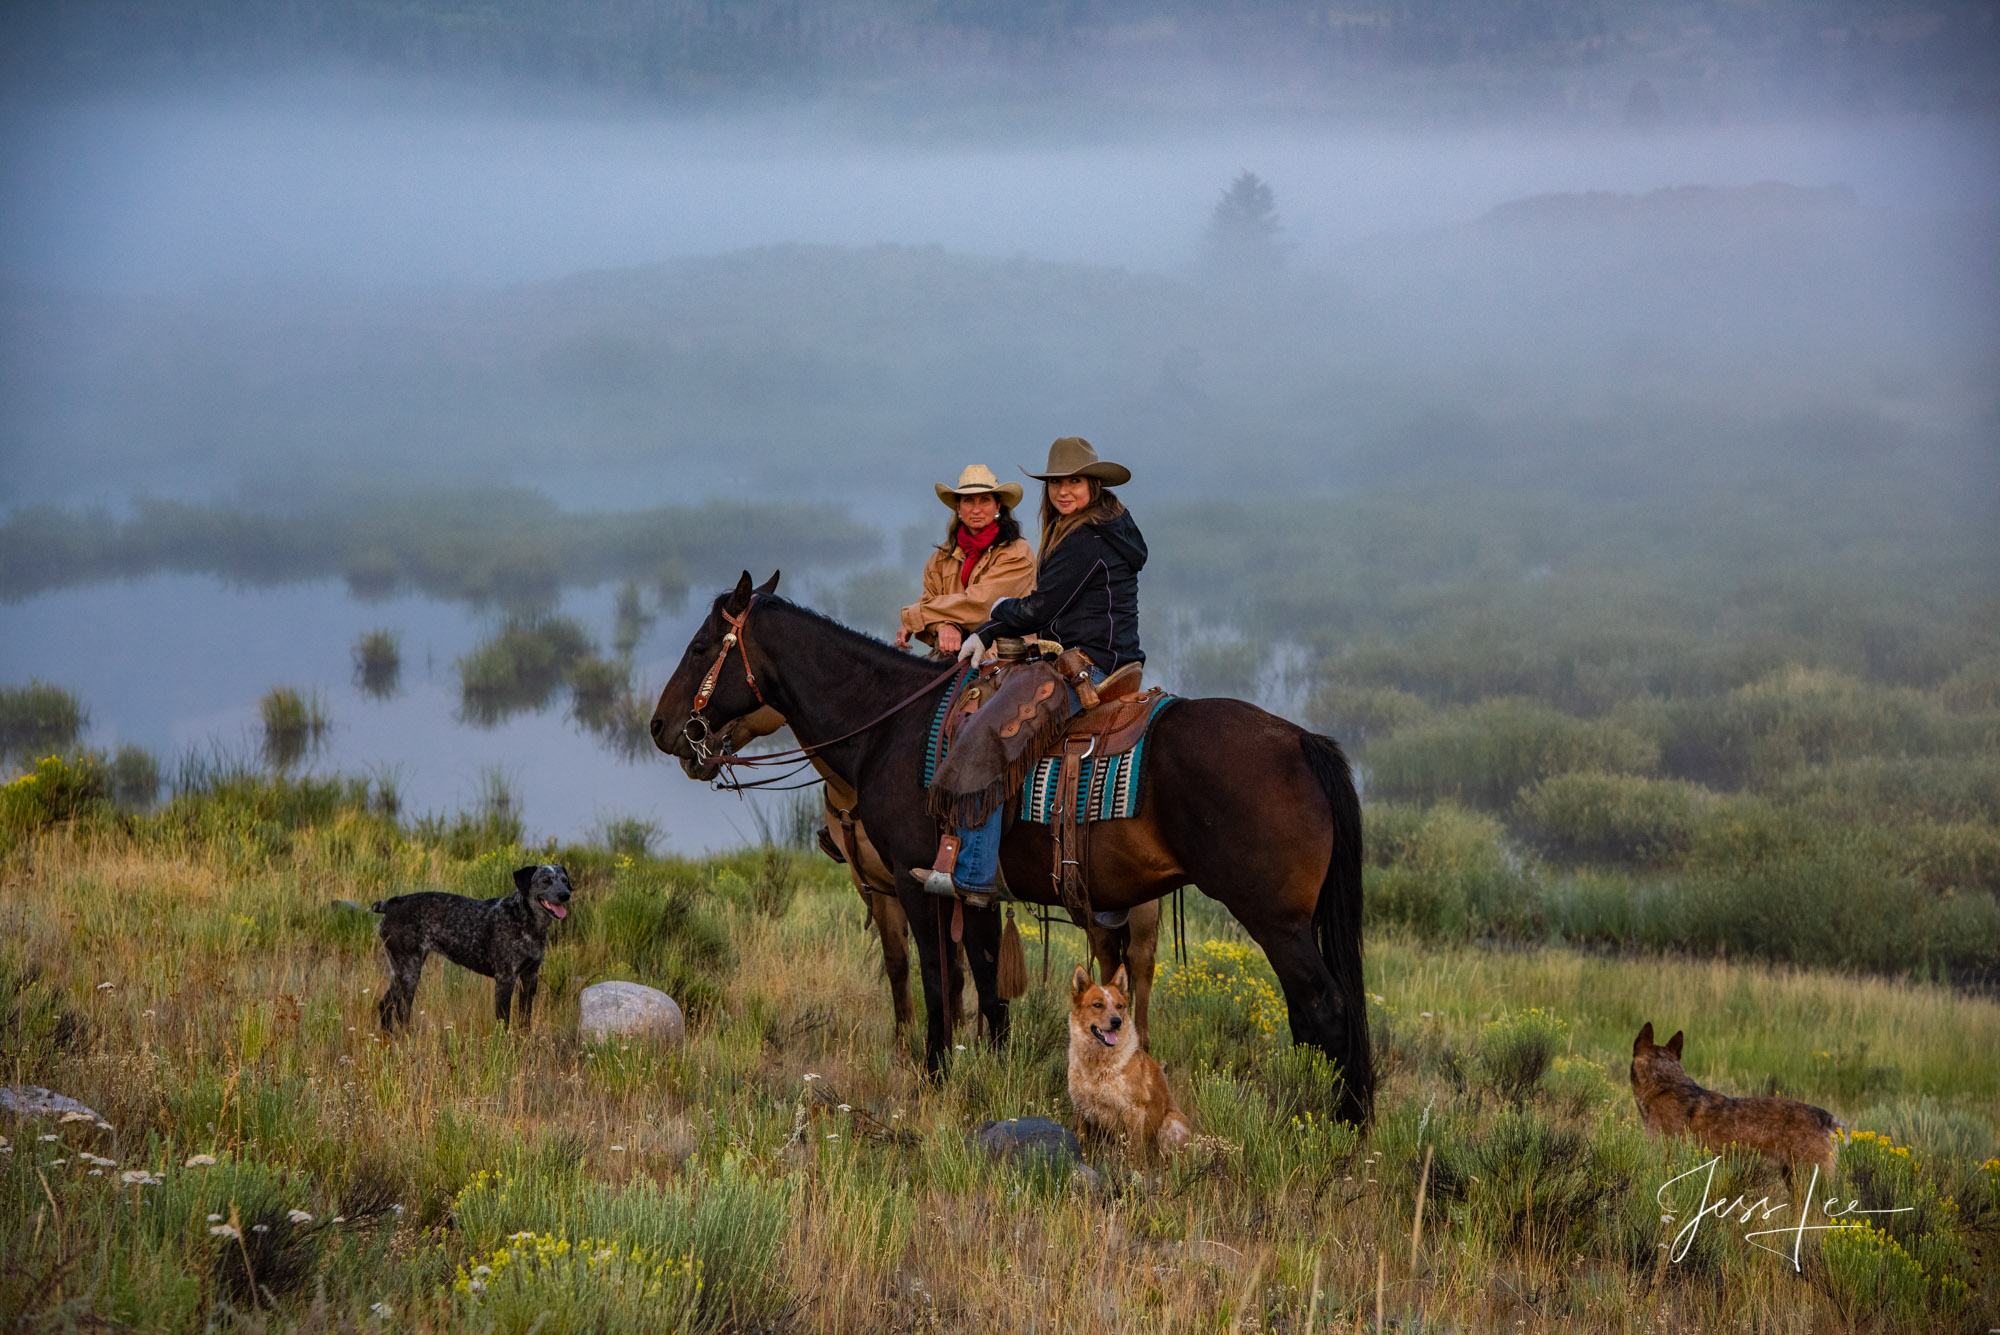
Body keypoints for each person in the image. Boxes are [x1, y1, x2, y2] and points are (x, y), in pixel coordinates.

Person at [917, 437, 1147, 906]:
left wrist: (990, 624)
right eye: (1057, 483)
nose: (1064, 491)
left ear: (1093, 484)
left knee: (990, 732)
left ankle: (974, 872)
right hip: (1106, 653)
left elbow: (1043, 606)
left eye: (1074, 482)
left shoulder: (1086, 537)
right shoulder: (1100, 525)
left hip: (1090, 660)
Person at [895, 465, 1035, 657]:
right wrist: (944, 626)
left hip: (1004, 657)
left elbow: (983, 605)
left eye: (984, 500)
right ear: (958, 508)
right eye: (968, 500)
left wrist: (915, 616)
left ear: (997, 506)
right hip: (952, 657)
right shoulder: (941, 558)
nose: (976, 509)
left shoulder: (1017, 552)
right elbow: (929, 600)